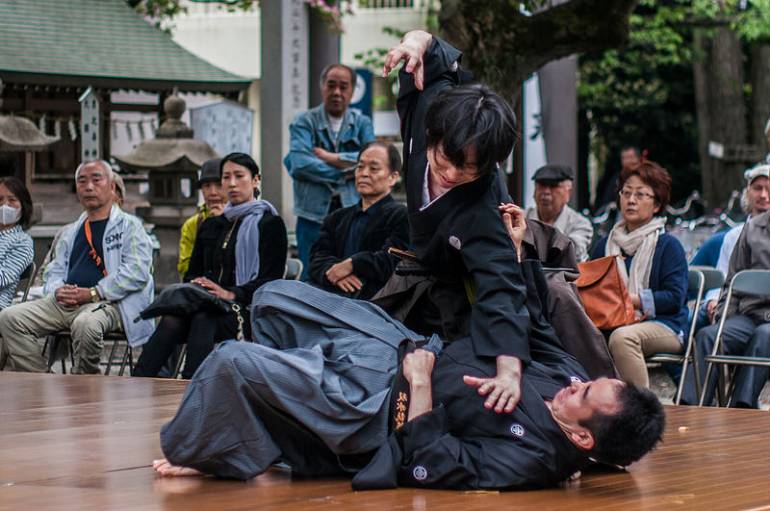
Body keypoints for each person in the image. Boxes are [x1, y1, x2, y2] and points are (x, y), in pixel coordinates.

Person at [153, 276, 664, 489]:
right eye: (587, 382)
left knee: (230, 360)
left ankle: (204, 447)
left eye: (582, 397)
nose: (573, 385)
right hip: (403, 345)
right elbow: (533, 322)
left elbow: (430, 462)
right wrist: (511, 252)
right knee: (271, 297)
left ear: (579, 437)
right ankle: (272, 408)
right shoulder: (570, 377)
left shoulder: (531, 457)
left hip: (377, 406)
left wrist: (420, 385)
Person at [370, 30, 532, 414]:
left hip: (461, 289)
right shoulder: (433, 109)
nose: (449, 172)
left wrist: (509, 370)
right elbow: (431, 54)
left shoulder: (486, 205)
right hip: (418, 263)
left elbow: (501, 285)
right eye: (445, 157)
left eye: (468, 168)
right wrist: (415, 41)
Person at [133, 153, 287, 379]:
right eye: (226, 177)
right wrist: (199, 286)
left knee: (205, 318)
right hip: (207, 303)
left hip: (247, 309)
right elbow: (193, 273)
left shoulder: (270, 224)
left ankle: (192, 385)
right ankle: (137, 381)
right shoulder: (212, 225)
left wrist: (231, 293)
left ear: (255, 180)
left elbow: (271, 281)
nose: (231, 183)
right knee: (173, 318)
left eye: (239, 176)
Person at [0, 160, 154, 374]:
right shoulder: (72, 230)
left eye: (96, 179)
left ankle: (85, 380)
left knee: (86, 325)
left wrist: (93, 292)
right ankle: (41, 379)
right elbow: (54, 270)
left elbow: (137, 272)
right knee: (9, 317)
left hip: (108, 302)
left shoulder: (130, 226)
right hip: (66, 301)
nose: (89, 186)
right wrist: (58, 289)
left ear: (111, 187)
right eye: (82, 181)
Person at [591, 160, 689, 388]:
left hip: (666, 324)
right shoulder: (604, 245)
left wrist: (629, 300)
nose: (631, 200)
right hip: (611, 320)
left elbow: (675, 298)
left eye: (640, 194)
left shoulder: (667, 245)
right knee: (578, 333)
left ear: (656, 205)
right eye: (626, 193)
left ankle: (640, 411)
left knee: (623, 338)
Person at [283, 64, 375, 279]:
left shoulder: (362, 123)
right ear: (322, 87)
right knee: (312, 274)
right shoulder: (304, 122)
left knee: (351, 275)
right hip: (311, 214)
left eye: (343, 87)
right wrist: (347, 171)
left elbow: (371, 157)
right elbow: (299, 164)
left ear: (352, 91)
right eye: (331, 85)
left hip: (352, 211)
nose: (337, 92)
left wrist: (330, 157)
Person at [682, 207, 770, 408]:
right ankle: (689, 407)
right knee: (708, 336)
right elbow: (732, 281)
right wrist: (723, 316)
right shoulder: (752, 228)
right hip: (749, 315)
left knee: (764, 337)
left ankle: (742, 408)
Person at [308, 141, 408, 299]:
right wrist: (334, 272)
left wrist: (353, 264)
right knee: (273, 293)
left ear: (393, 177)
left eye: (374, 168)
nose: (364, 173)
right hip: (331, 294)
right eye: (360, 167)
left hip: (374, 303)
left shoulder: (401, 215)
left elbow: (394, 261)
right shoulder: (336, 217)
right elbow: (316, 258)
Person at [525, 164, 593, 261]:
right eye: (541, 185)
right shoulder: (521, 218)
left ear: (568, 192)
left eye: (553, 186)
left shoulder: (580, 223)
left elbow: (573, 253)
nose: (546, 192)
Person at [178, 158, 224, 280]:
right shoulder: (192, 224)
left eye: (219, 185)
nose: (212, 192)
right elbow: (184, 267)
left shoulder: (241, 219)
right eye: (207, 186)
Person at [0, 177, 34, 309]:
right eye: (0, 199)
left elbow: (4, 278)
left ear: (23, 205)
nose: (4, 205)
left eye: (12, 200)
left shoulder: (22, 241)